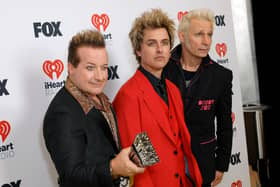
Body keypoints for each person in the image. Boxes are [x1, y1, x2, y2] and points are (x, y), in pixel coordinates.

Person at [43, 29, 145, 187]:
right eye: (90, 68)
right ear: (71, 68)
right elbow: (71, 176)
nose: (100, 76)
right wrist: (113, 168)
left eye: (104, 68)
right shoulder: (62, 113)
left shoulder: (99, 98)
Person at [113, 9, 202, 187]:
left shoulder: (173, 89)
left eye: (165, 42)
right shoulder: (129, 96)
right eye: (152, 43)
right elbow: (137, 164)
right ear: (138, 50)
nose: (160, 49)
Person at [164, 9, 233, 187]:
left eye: (209, 34)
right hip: (167, 161)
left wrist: (221, 165)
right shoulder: (161, 69)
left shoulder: (221, 76)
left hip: (202, 161)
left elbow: (225, 124)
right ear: (182, 36)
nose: (206, 41)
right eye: (199, 34)